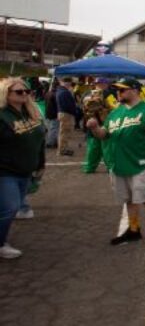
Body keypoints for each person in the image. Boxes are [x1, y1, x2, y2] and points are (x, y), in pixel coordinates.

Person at [85, 78, 145, 245]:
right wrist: (95, 127)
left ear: (134, 90)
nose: (118, 92)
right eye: (117, 90)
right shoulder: (115, 112)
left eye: (122, 89)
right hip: (119, 163)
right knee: (129, 198)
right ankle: (134, 229)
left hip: (141, 162)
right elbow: (104, 134)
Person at [0, 78, 46, 259]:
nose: (25, 94)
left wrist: (40, 164)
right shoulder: (2, 116)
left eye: (26, 91)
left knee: (15, 207)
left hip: (25, 170)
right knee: (10, 208)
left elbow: (39, 142)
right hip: (5, 171)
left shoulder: (31, 113)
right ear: (6, 94)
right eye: (19, 92)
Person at [82, 78, 118, 174]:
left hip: (97, 123)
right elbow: (116, 108)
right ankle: (109, 167)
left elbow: (83, 107)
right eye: (101, 83)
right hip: (101, 123)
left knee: (97, 148)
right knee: (103, 148)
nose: (102, 85)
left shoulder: (87, 94)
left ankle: (91, 167)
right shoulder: (108, 95)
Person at [55, 78, 80, 156]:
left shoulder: (60, 91)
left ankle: (63, 149)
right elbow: (69, 105)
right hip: (66, 114)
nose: (68, 84)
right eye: (66, 82)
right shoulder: (65, 92)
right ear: (61, 82)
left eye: (69, 82)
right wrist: (75, 111)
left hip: (63, 113)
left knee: (64, 132)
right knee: (65, 133)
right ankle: (62, 150)